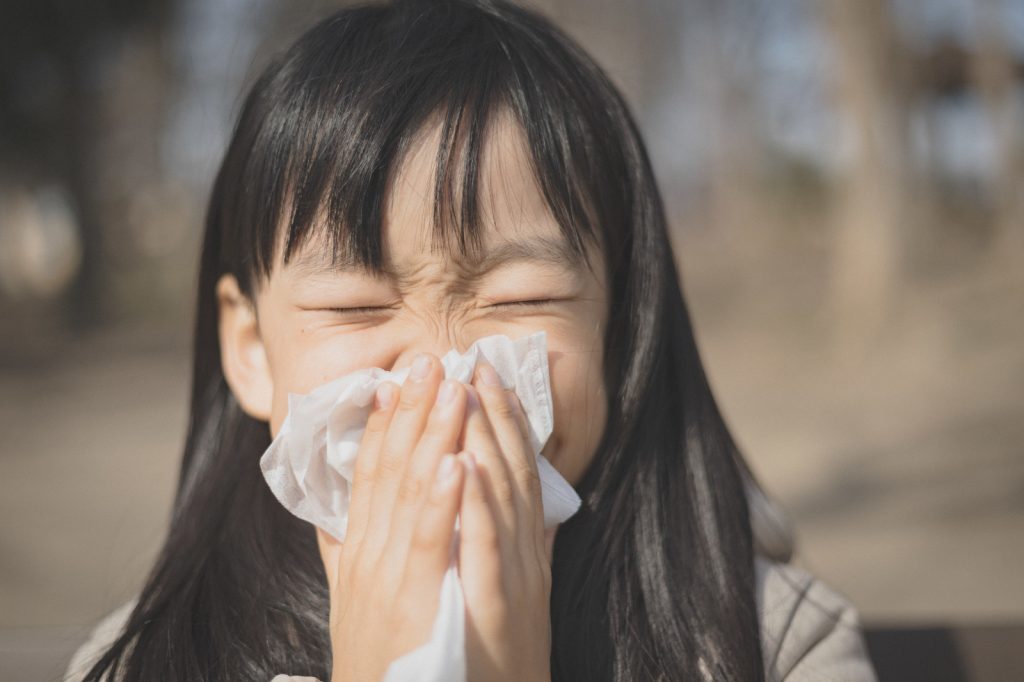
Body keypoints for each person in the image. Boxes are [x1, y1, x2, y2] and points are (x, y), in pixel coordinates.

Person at [65, 0, 877, 680]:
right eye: (353, 306)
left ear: (620, 328)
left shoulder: (775, 644)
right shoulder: (150, 659)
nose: (441, 376)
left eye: (524, 296)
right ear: (250, 349)